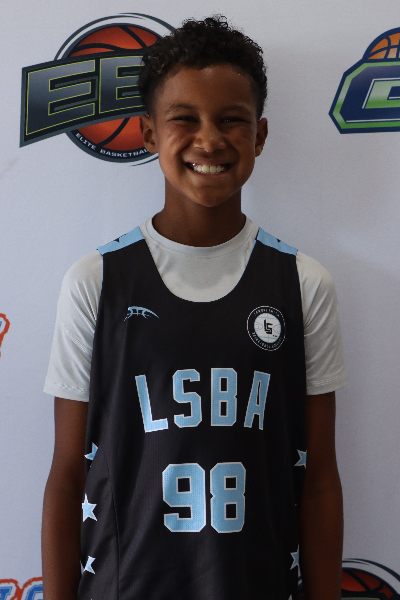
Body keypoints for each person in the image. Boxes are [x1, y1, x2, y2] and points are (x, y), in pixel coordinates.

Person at [42, 16, 346, 600]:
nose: (209, 140)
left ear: (259, 135)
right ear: (148, 133)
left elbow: (320, 482)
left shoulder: (302, 284)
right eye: (185, 118)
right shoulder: (96, 282)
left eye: (231, 119)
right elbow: (66, 477)